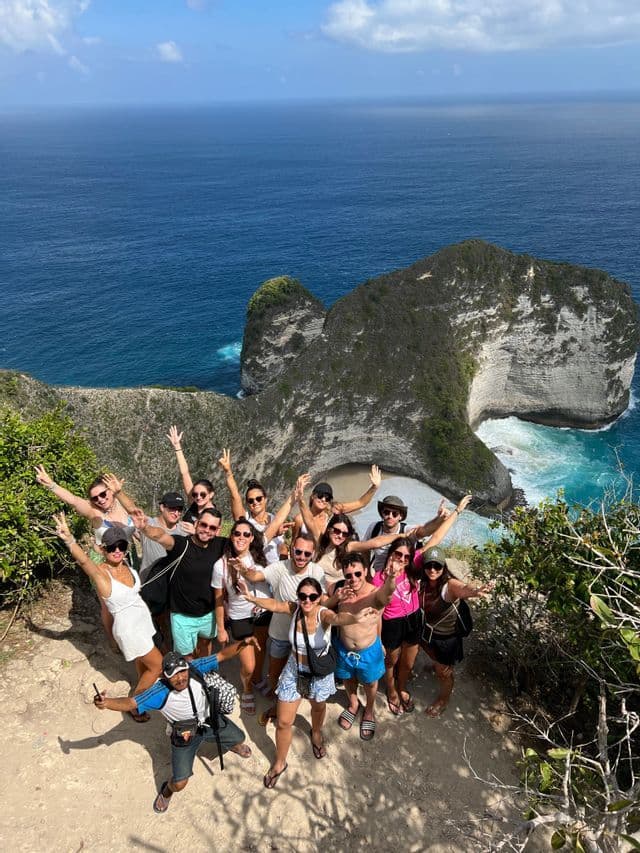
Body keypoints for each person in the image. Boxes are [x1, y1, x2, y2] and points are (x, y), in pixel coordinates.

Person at [136, 478, 302, 659]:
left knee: (206, 646)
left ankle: (204, 674)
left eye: (212, 527)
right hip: (183, 616)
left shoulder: (222, 545)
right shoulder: (181, 545)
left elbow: (271, 527)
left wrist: (292, 498)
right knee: (187, 656)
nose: (207, 530)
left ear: (218, 530)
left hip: (208, 613)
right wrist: (145, 527)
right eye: (204, 525)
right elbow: (161, 536)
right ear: (197, 523)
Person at [239, 576, 378, 788]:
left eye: (312, 596)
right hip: (294, 670)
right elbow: (274, 604)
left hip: (318, 673)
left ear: (318, 598)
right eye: (303, 596)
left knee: (317, 708)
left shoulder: (323, 613)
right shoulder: (294, 609)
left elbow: (338, 619)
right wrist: (250, 598)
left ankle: (315, 732)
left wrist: (356, 617)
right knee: (284, 721)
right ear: (298, 596)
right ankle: (279, 762)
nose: (307, 600)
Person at [93, 646, 255, 812]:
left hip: (209, 720)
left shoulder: (195, 668)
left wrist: (244, 642)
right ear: (165, 676)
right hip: (184, 734)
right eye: (174, 675)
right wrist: (106, 703)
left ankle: (231, 743)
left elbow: (221, 655)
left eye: (183, 672)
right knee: (179, 783)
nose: (180, 678)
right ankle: (167, 791)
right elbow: (131, 703)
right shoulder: (159, 692)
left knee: (238, 737)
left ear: (187, 667)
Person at [53, 512, 162, 722]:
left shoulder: (127, 567)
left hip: (142, 624)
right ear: (102, 549)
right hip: (130, 631)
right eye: (111, 547)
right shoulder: (102, 574)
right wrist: (69, 540)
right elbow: (84, 561)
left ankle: (138, 688)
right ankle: (135, 705)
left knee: (143, 663)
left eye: (121, 545)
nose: (117, 551)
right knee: (157, 666)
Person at [373, 494, 471, 715]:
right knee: (390, 661)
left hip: (414, 620)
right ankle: (391, 691)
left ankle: (402, 686)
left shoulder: (413, 567)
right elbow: (377, 611)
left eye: (405, 557)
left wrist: (457, 511)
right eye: (396, 554)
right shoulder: (378, 578)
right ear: (390, 554)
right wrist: (378, 639)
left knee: (407, 663)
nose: (401, 559)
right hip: (392, 623)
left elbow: (436, 537)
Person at [35, 465, 138, 641]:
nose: (100, 499)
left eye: (103, 494)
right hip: (102, 562)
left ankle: (131, 630)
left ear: (111, 491)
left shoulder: (124, 504)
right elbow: (74, 500)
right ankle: (112, 639)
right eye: (95, 497)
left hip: (127, 557)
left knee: (131, 597)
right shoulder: (94, 512)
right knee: (108, 604)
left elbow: (138, 519)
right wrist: (51, 484)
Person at [238, 530, 325, 724]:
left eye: (307, 554)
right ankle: (278, 701)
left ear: (313, 555)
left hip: (304, 637)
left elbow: (323, 600)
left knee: (301, 675)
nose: (301, 557)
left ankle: (281, 708)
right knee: (275, 673)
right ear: (292, 548)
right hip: (279, 634)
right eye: (298, 551)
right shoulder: (279, 568)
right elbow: (256, 577)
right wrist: (243, 570)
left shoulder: (317, 572)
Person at [331, 552, 403, 740]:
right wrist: (335, 598)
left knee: (370, 683)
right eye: (348, 575)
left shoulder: (374, 593)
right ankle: (353, 703)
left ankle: (369, 711)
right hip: (344, 649)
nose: (353, 579)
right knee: (348, 679)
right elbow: (326, 608)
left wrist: (392, 577)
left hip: (368, 651)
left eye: (357, 574)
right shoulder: (341, 591)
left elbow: (386, 594)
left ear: (365, 571)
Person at [418, 545, 492, 717]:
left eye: (437, 566)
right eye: (429, 565)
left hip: (446, 639)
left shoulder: (448, 586)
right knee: (435, 659)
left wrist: (476, 591)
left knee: (444, 674)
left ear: (444, 567)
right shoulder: (423, 583)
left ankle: (443, 699)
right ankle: (438, 664)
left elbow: (464, 589)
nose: (432, 569)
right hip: (428, 633)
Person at [212, 518, 272, 714]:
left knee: (261, 651)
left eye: (246, 534)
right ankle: (247, 688)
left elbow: (276, 522)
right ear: (231, 536)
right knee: (249, 664)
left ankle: (256, 680)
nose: (241, 538)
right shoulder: (220, 565)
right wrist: (221, 628)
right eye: (237, 533)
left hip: (263, 613)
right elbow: (219, 599)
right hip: (240, 618)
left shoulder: (259, 556)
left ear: (252, 537)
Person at [218, 449, 291, 563]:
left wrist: (284, 560)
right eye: (250, 500)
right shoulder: (245, 520)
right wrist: (228, 472)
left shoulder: (273, 518)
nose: (255, 502)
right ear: (247, 504)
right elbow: (235, 496)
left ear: (265, 499)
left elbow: (281, 545)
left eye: (258, 498)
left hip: (273, 570)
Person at [311, 511, 411, 588]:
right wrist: (299, 499)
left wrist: (401, 535)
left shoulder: (348, 547)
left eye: (344, 534)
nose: (340, 536)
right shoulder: (319, 540)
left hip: (338, 590)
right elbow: (308, 519)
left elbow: (375, 543)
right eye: (337, 531)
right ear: (329, 529)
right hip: (314, 588)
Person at [364, 494, 452, 576]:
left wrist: (439, 518)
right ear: (382, 513)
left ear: (400, 516)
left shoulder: (406, 531)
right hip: (379, 577)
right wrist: (367, 575)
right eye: (386, 512)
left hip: (402, 579)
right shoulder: (374, 528)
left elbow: (425, 530)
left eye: (394, 514)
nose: (390, 516)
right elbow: (364, 550)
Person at [291, 465, 382, 544]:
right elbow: (294, 543)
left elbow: (360, 503)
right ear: (312, 496)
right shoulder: (300, 519)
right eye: (320, 495)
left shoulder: (332, 512)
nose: (323, 499)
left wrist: (374, 487)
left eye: (327, 498)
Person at [167, 426, 216, 524]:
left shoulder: (214, 515)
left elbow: (213, 537)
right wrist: (177, 446)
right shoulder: (194, 502)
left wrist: (194, 531)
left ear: (211, 494)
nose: (198, 497)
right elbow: (185, 473)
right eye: (195, 494)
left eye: (203, 494)